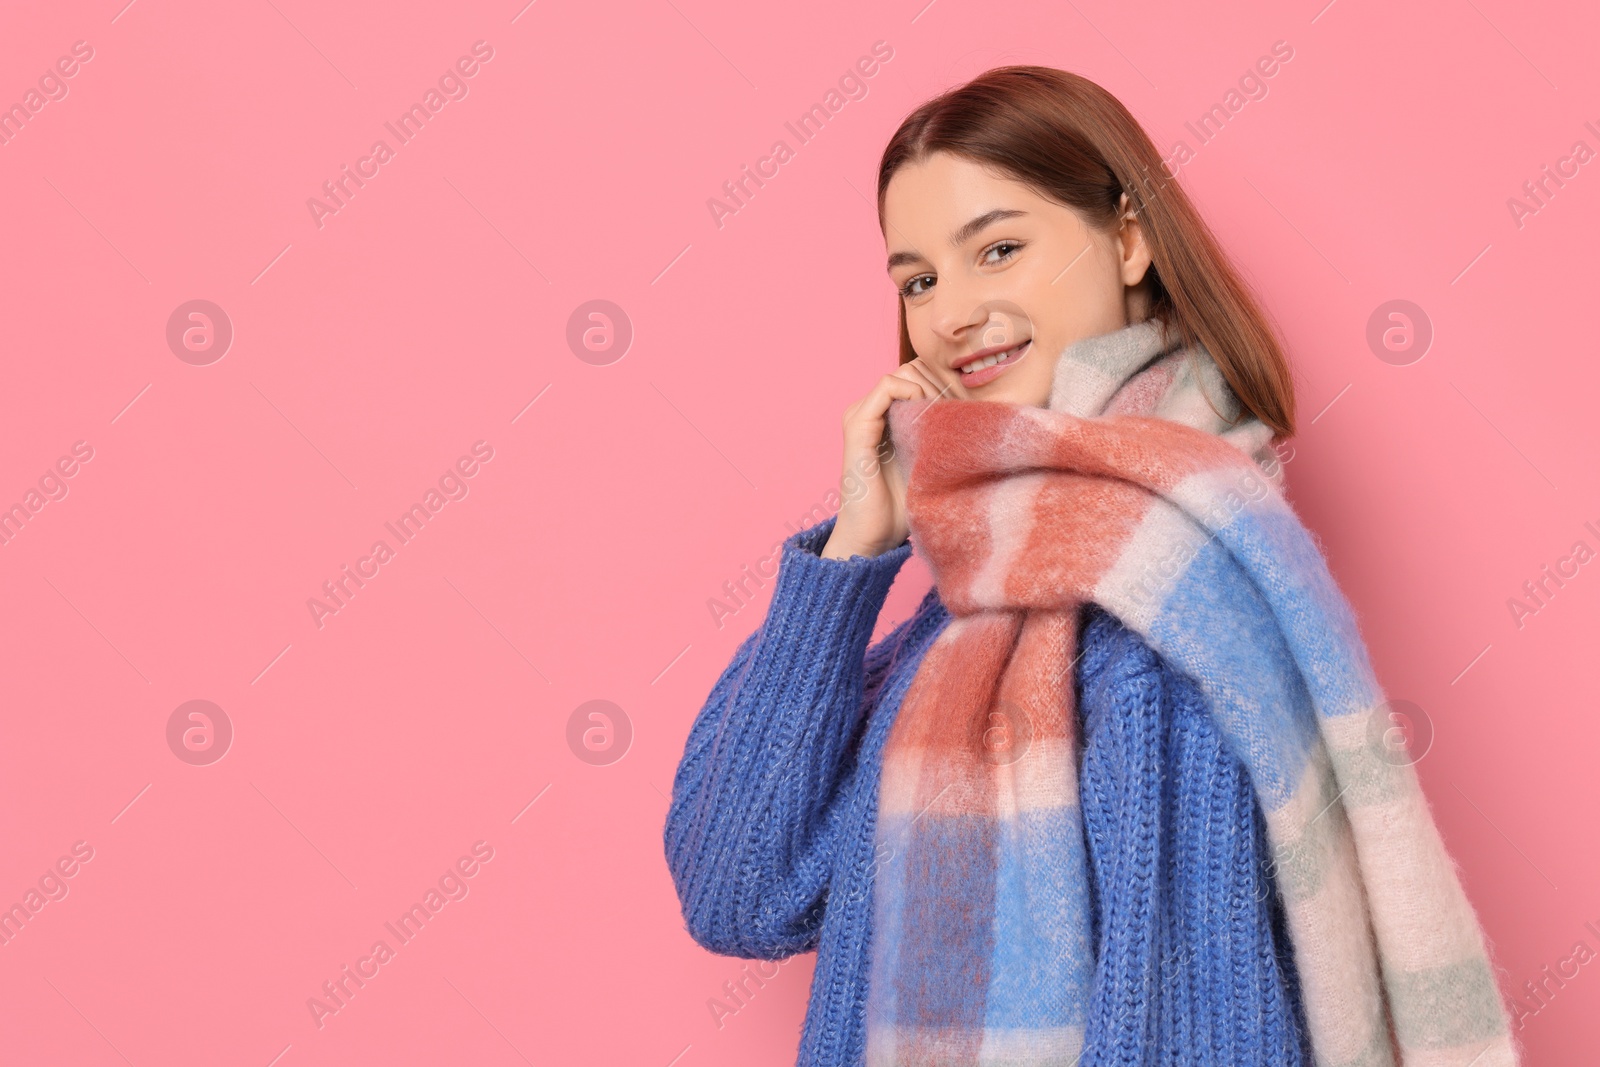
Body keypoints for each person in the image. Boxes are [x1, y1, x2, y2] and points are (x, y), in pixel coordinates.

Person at [664, 66, 1517, 1067]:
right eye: (918, 279)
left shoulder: (1183, 596)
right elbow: (738, 891)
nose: (951, 312)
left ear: (1126, 237)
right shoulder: (963, 616)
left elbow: (1207, 1021)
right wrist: (855, 550)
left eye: (999, 249)